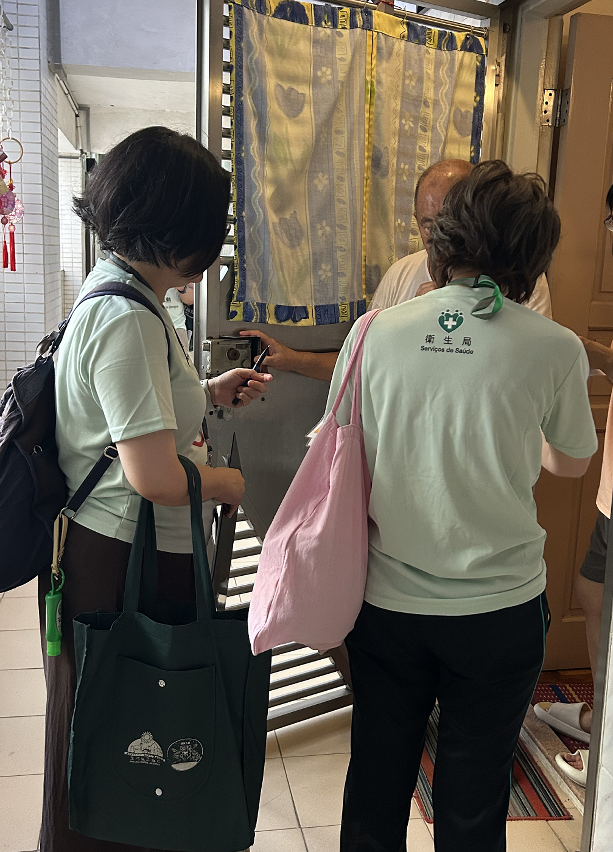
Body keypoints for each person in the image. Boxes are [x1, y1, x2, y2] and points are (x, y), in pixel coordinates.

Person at [325, 161, 597, 852]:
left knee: (376, 780)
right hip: (500, 610)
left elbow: (341, 443)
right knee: (474, 798)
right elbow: (569, 463)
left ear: (443, 236)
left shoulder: (373, 331)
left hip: (388, 603)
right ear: (530, 257)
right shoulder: (555, 347)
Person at [39, 126, 272, 852]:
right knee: (125, 725)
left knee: (109, 720)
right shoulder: (128, 318)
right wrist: (228, 483)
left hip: (110, 550)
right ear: (174, 228)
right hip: (124, 559)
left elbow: (131, 421)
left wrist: (205, 393)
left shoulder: (119, 290)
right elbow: (154, 478)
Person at [240, 159, 552, 381]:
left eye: (449, 221)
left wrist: (449, 310)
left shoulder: (522, 281)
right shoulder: (400, 275)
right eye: (427, 223)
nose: (438, 235)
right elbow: (362, 363)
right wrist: (292, 359)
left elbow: (530, 371)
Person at [535, 183, 613, 787]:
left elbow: (569, 460)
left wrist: (567, 349)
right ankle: (602, 719)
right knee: (592, 592)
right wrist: (579, 348)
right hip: (611, 494)